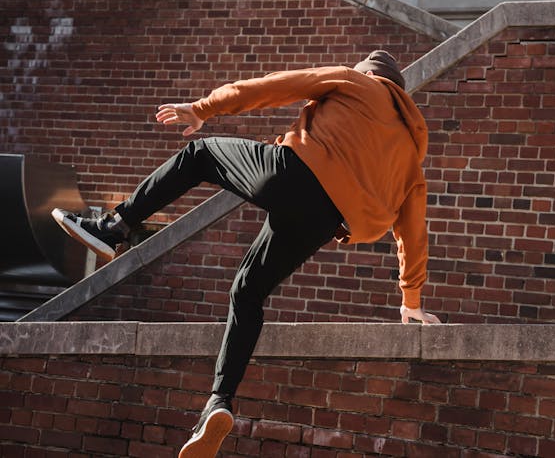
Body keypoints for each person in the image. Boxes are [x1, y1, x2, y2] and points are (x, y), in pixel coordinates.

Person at [52, 50, 441, 457]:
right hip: (327, 221)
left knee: (199, 156)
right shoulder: (412, 154)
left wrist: (203, 108)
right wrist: (410, 301)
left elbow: (279, 85)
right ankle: (218, 402)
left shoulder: (354, 81)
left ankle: (114, 228)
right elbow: (412, 232)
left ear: (368, 73)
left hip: (292, 171)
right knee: (248, 292)